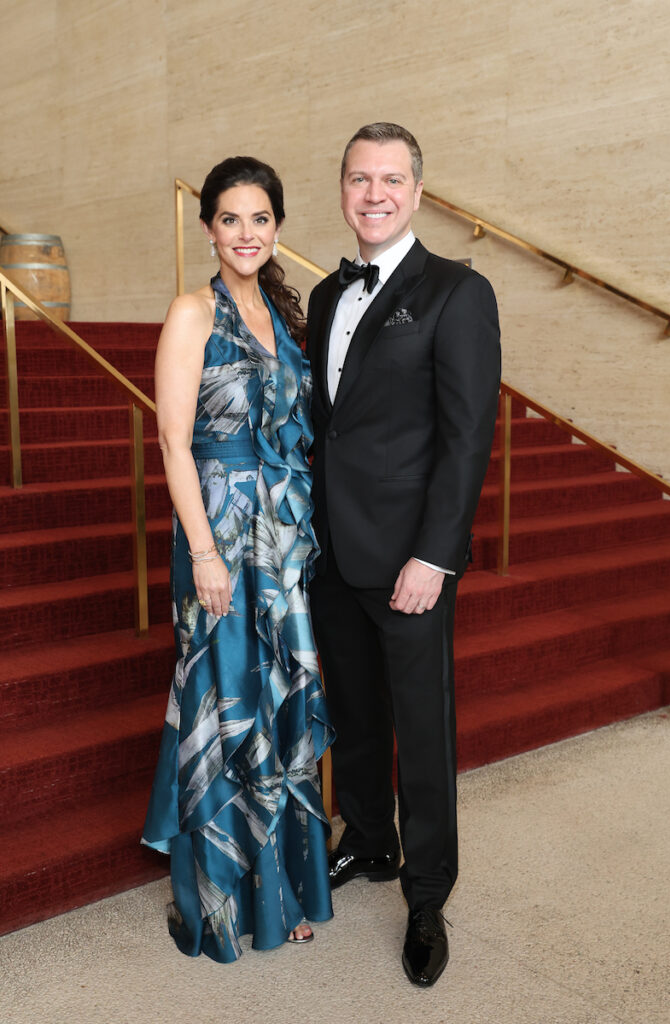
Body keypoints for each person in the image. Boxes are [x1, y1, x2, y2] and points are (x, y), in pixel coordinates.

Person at [307, 123, 501, 986]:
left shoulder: (459, 292)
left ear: (417, 192)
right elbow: (331, 428)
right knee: (354, 714)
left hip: (411, 559)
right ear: (342, 190)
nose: (373, 193)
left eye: (390, 178)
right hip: (333, 551)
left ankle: (426, 898)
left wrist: (436, 556)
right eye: (358, 178)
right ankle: (370, 845)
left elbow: (466, 439)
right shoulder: (323, 298)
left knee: (421, 731)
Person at [142, 156, 334, 962]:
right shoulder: (193, 313)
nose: (246, 233)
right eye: (230, 219)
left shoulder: (282, 318)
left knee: (277, 708)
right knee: (227, 709)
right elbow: (172, 441)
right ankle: (219, 903)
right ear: (208, 228)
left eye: (260, 219)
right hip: (220, 537)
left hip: (283, 543)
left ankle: (279, 887)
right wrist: (204, 551)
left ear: (277, 228)